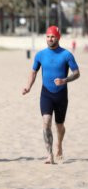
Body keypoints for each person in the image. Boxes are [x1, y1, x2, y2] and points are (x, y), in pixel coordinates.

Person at [22, 26, 80, 164]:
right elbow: (34, 72)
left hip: (61, 95)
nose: (50, 39)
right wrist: (28, 86)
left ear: (58, 37)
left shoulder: (66, 55)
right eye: (48, 36)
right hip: (46, 94)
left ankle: (59, 143)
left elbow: (77, 73)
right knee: (46, 122)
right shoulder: (40, 55)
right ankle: (50, 154)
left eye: (53, 36)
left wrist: (64, 80)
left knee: (59, 126)